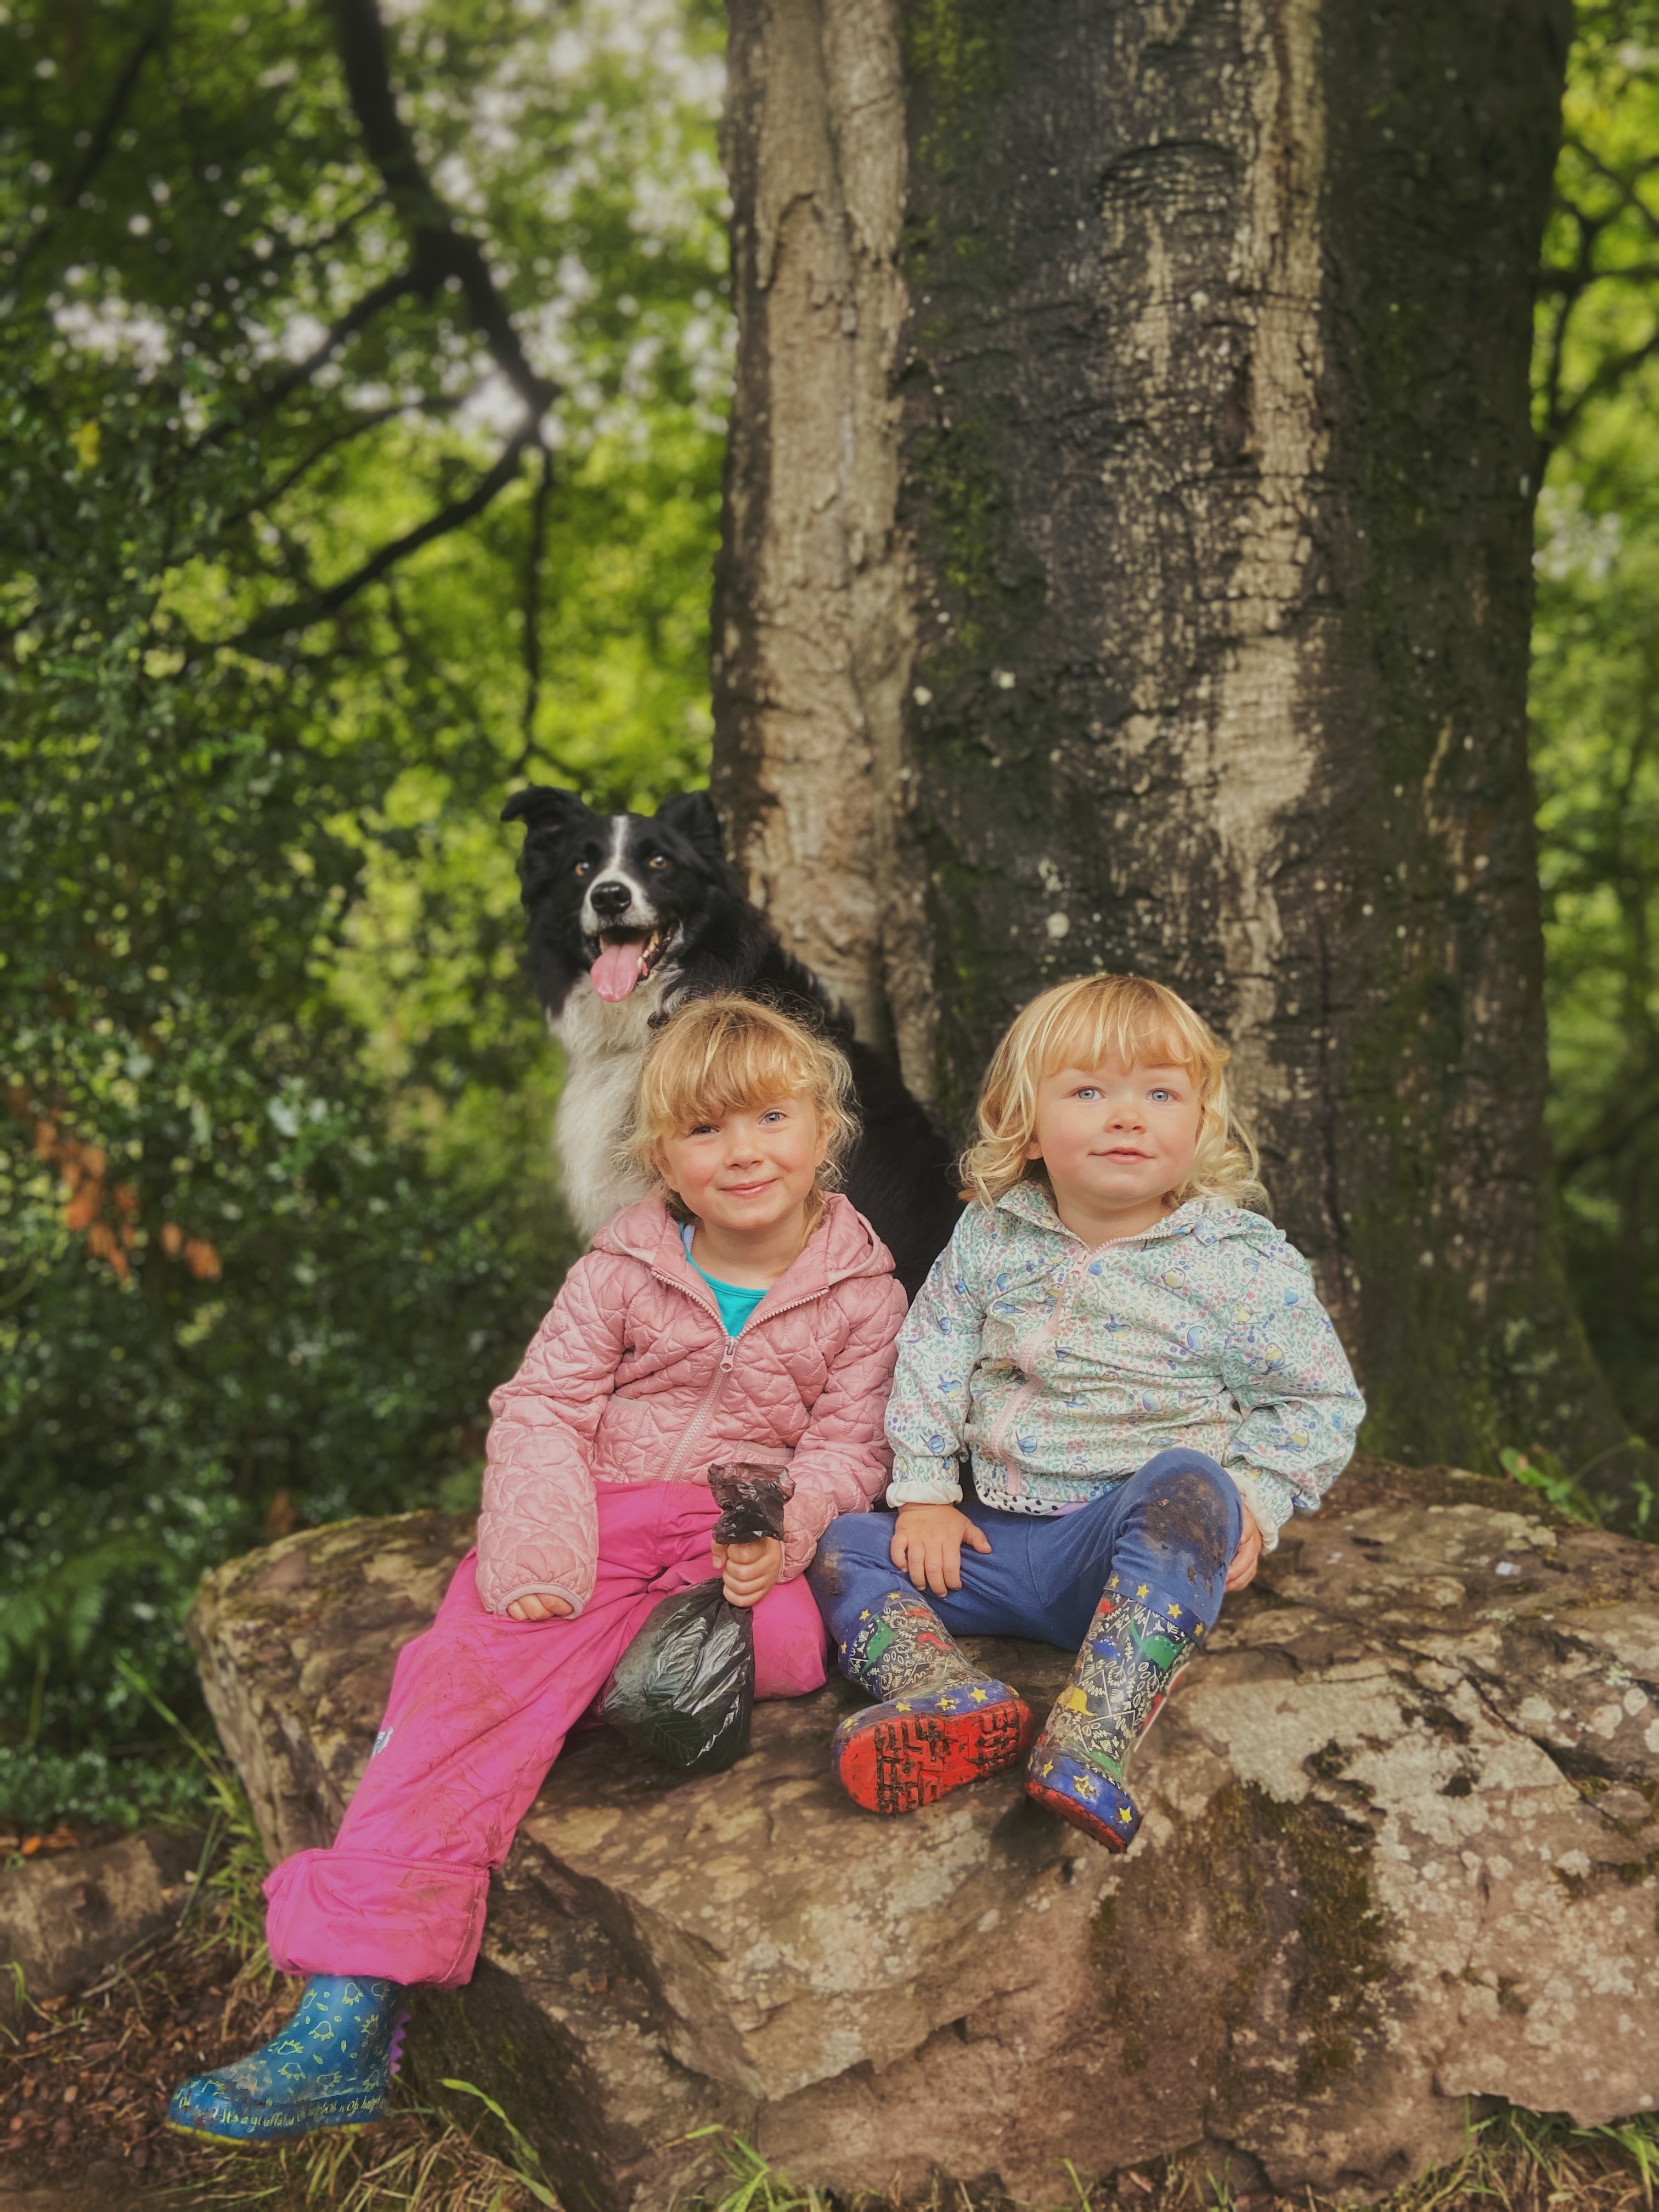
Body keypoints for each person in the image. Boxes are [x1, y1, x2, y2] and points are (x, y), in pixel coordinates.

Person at [170, 994, 908, 2142]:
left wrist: (788, 1532)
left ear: (824, 1131)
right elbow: (543, 1409)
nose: (743, 1152)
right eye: (705, 1131)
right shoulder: (621, 1267)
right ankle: (345, 2014)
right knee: (459, 1688)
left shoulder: (865, 1290)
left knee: (785, 1652)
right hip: (599, 1523)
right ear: (657, 1154)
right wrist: (541, 1555)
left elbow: (851, 1444)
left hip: (731, 1536)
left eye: (770, 1117)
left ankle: (589, 1680)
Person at [809, 972, 1364, 1850]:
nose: (1127, 1115)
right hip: (987, 1543)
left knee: (1192, 1484)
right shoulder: (995, 1234)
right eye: (1089, 1092)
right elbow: (933, 1354)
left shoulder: (1236, 1261)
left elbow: (1319, 1401)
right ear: (1026, 1121)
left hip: (1124, 1551)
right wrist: (922, 1493)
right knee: (843, 1546)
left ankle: (1096, 1729)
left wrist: (1254, 1500)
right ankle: (940, 1692)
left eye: (1158, 1093)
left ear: (1199, 1121)